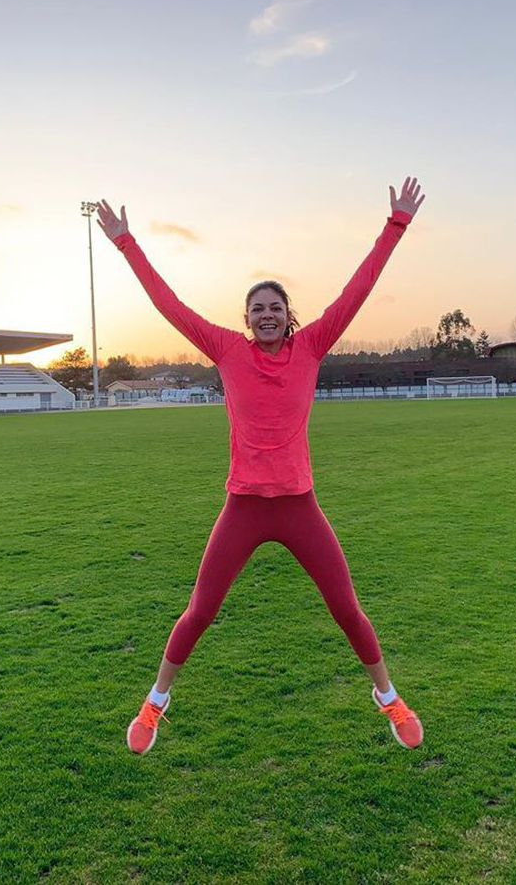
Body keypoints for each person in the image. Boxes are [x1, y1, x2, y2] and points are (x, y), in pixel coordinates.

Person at [95, 178, 426, 754]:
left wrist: (395, 224)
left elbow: (358, 289)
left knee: (346, 607)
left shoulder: (314, 346)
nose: (266, 316)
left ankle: (389, 699)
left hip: (299, 506)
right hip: (244, 506)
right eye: (257, 310)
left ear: (288, 315)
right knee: (200, 610)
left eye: (275, 308)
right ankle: (154, 704)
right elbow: (167, 304)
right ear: (245, 319)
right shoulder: (226, 350)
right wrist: (127, 243)